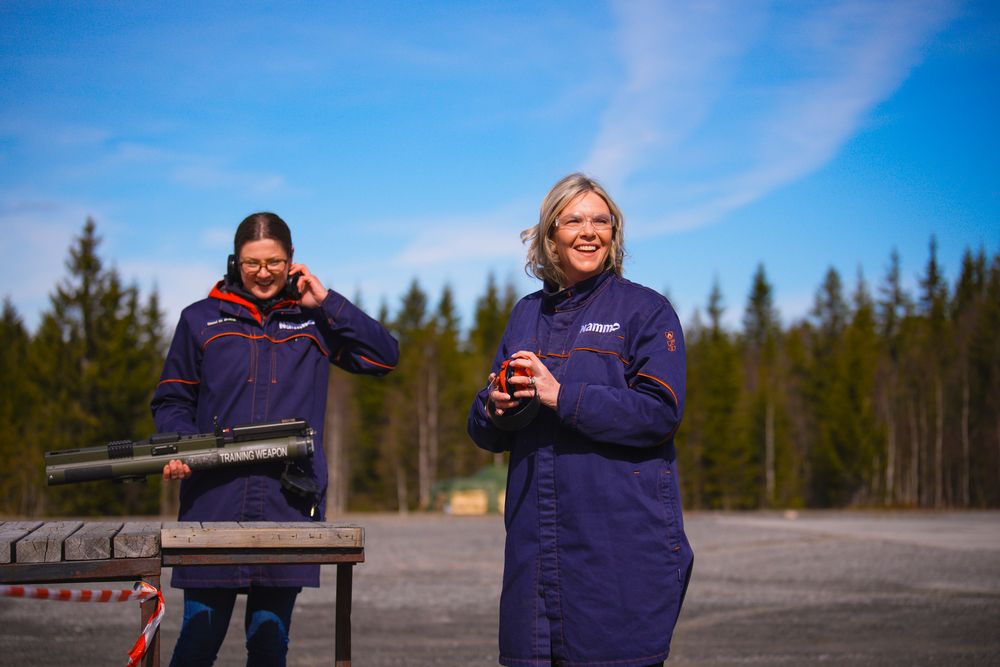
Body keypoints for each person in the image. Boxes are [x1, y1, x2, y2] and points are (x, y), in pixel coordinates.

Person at [152, 212, 399, 667]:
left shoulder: (315, 322)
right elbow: (171, 400)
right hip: (214, 504)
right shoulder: (200, 321)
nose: (263, 273)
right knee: (198, 639)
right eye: (252, 263)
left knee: (269, 643)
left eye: (274, 262)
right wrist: (181, 446)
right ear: (234, 261)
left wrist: (327, 302)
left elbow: (384, 357)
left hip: (288, 503)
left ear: (293, 263)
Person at [467, 173, 693, 667]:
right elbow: (487, 425)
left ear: (614, 234)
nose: (589, 231)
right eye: (573, 220)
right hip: (533, 558)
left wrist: (562, 395)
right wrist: (496, 407)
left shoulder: (646, 311)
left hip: (617, 553)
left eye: (601, 221)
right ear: (550, 236)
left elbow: (659, 413)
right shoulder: (525, 315)